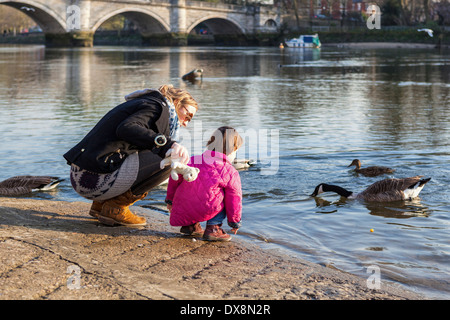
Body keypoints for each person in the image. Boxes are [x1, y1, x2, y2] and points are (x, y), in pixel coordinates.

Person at [63, 85, 198, 227]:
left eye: (191, 119)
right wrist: (167, 145)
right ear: (177, 102)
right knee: (170, 160)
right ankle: (116, 207)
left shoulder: (145, 102)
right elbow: (126, 128)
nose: (186, 122)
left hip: (81, 176)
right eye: (188, 115)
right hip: (93, 181)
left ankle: (101, 205)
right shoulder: (157, 108)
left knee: (157, 151)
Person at [166, 126, 243, 241]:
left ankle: (190, 226)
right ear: (232, 150)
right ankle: (213, 228)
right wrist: (234, 221)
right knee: (222, 197)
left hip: (184, 206)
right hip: (208, 208)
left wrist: (170, 200)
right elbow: (234, 198)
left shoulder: (191, 160)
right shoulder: (230, 171)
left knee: (191, 190)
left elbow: (174, 180)